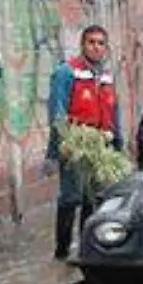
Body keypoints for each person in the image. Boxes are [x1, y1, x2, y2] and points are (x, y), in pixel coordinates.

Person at [46, 24, 120, 259]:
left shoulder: (106, 76)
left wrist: (117, 139)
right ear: (82, 44)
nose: (96, 47)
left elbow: (113, 109)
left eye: (101, 43)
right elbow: (57, 112)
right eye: (91, 42)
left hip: (101, 143)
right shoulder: (67, 72)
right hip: (75, 142)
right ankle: (62, 249)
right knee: (71, 196)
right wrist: (64, 143)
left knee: (94, 197)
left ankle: (86, 248)